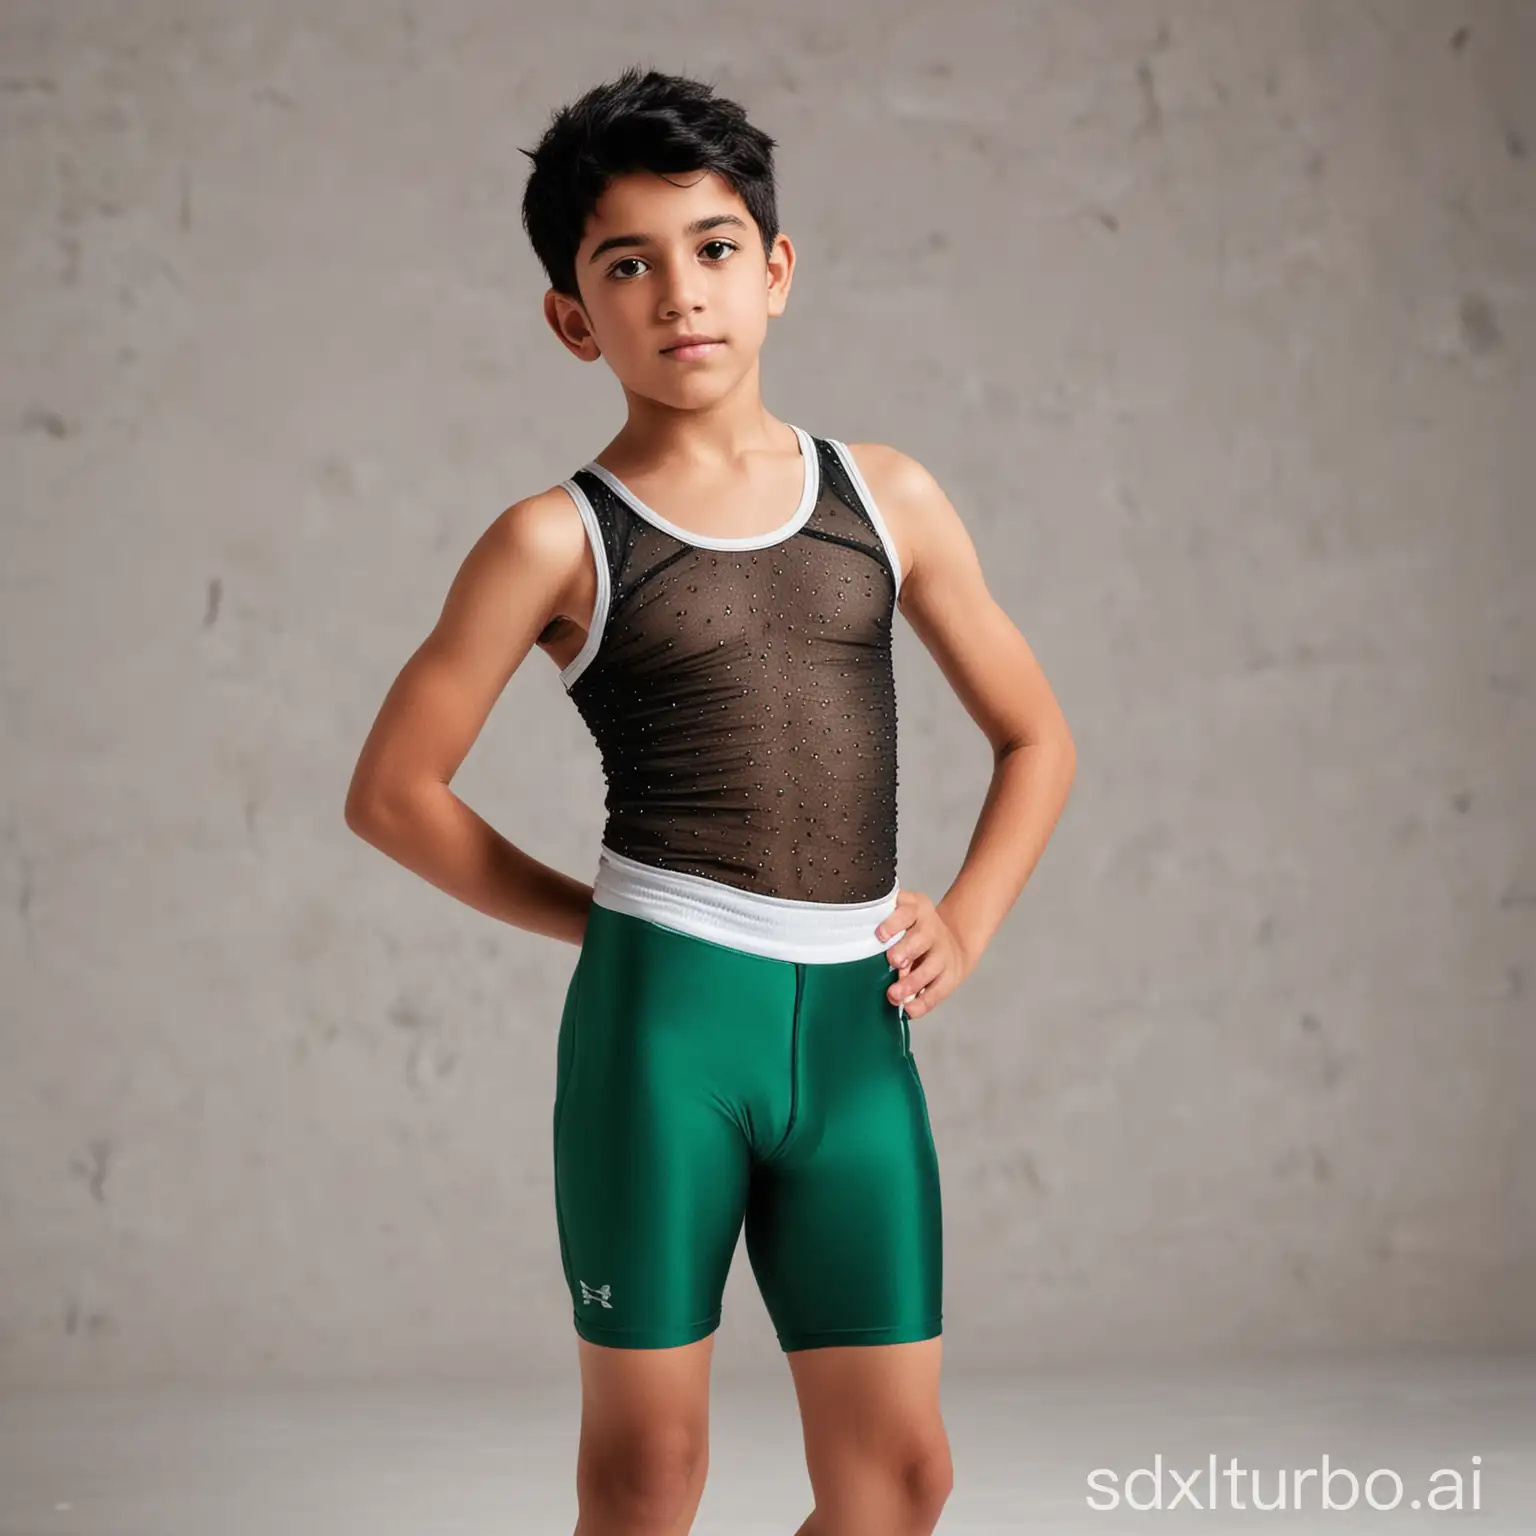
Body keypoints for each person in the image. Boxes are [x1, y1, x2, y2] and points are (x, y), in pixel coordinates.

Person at [345, 64, 1075, 1536]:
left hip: (857, 1037)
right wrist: (603, 923)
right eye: (629, 263)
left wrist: (973, 920)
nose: (682, 292)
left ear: (778, 270)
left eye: (715, 248)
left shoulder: (887, 498)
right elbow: (394, 795)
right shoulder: (556, 538)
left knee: (903, 1480)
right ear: (574, 316)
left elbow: (1037, 736)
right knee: (648, 1478)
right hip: (662, 1037)